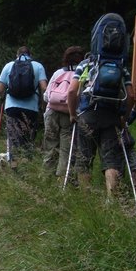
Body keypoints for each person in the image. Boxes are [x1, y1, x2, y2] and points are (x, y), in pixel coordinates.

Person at [67, 43, 133, 197]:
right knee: (111, 159)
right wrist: (124, 118)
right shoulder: (121, 66)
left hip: (87, 114)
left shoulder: (86, 64)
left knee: (84, 158)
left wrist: (72, 114)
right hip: (111, 115)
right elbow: (131, 96)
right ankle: (112, 201)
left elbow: (71, 91)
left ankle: (85, 199)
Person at [0, 46, 47, 167]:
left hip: (12, 107)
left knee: (13, 135)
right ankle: (26, 163)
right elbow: (44, 88)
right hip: (31, 108)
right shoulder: (38, 66)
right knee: (28, 136)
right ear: (30, 55)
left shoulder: (9, 66)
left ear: (17, 55)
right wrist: (43, 103)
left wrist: (2, 97)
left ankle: (14, 164)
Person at [42, 45, 86, 179]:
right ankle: (62, 179)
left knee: (50, 146)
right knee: (66, 150)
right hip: (70, 114)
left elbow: (46, 96)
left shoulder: (58, 73)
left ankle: (46, 177)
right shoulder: (82, 75)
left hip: (52, 112)